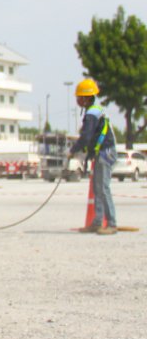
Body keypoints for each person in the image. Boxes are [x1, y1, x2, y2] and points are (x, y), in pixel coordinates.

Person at [68, 78, 118, 235]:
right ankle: (97, 222)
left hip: (106, 152)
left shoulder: (91, 114)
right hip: (101, 152)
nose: (77, 100)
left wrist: (73, 150)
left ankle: (111, 224)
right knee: (97, 188)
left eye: (79, 97)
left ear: (87, 98)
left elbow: (86, 136)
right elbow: (92, 138)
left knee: (103, 188)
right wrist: (88, 155)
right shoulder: (95, 111)